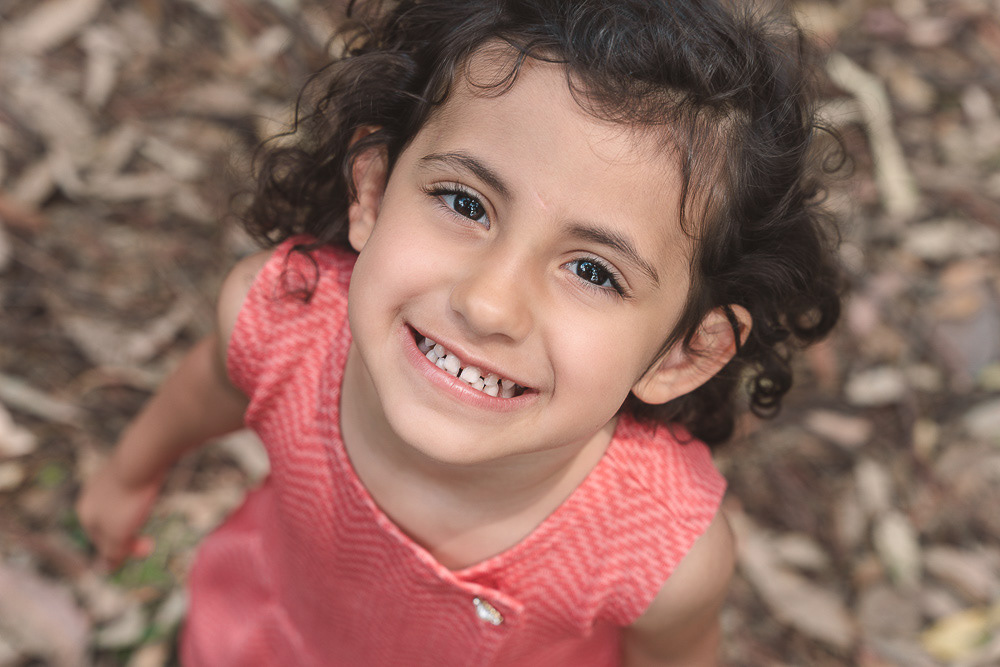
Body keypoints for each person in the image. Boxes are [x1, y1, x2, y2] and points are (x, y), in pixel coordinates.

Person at [77, 0, 842, 664]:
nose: (488, 304)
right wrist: (131, 473)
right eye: (465, 202)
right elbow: (213, 381)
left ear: (685, 351)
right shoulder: (286, 321)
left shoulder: (655, 551)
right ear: (373, 191)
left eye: (593, 271)